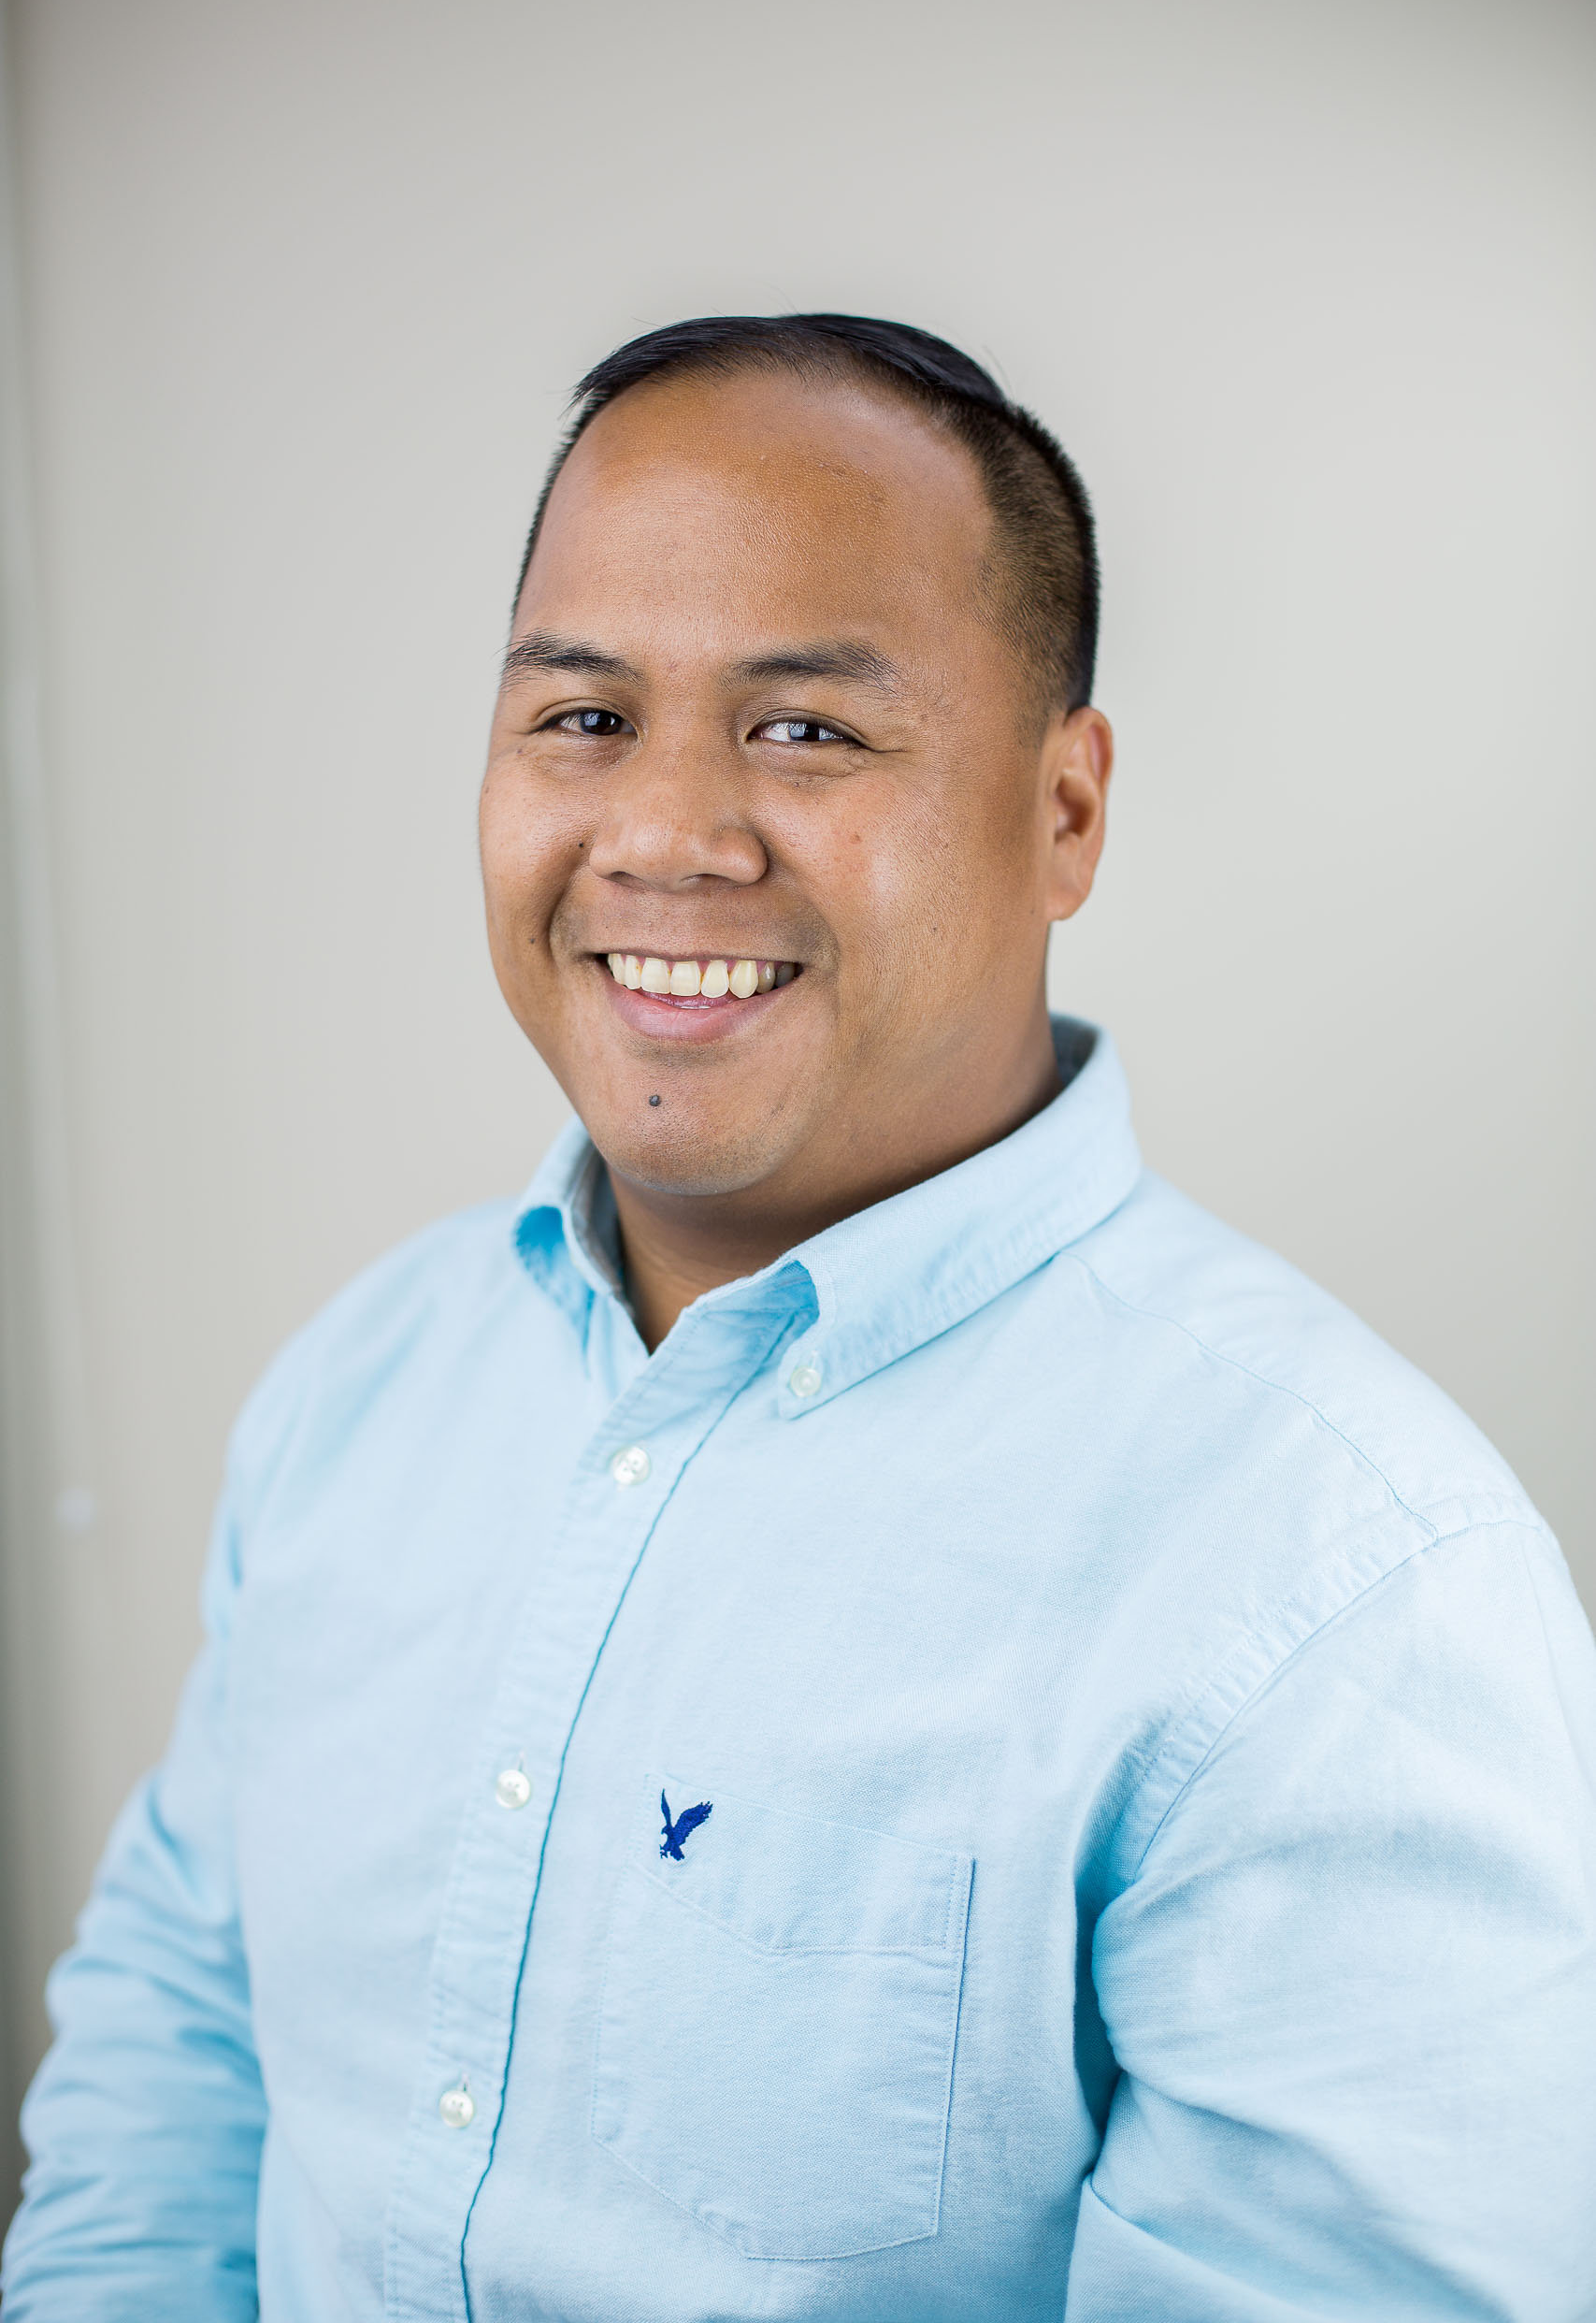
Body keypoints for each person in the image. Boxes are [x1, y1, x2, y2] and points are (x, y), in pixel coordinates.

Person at [5, 313, 1594, 2323]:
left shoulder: (1348, 1589)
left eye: (807, 730)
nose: (664, 833)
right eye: (583, 715)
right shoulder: (363, 1387)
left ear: (1064, 811)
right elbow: (178, 2064)